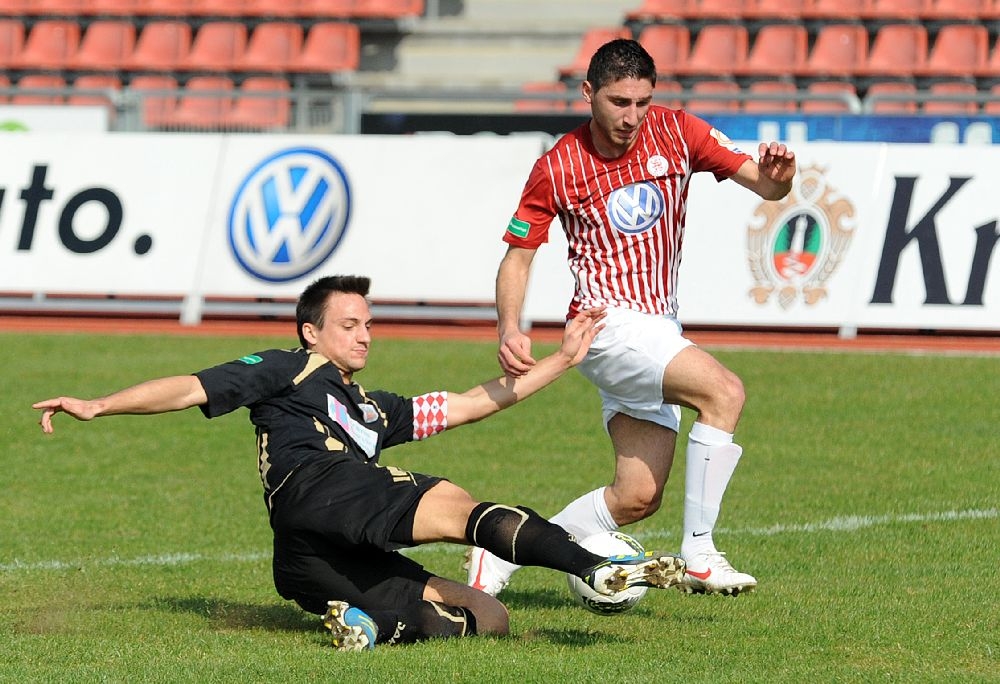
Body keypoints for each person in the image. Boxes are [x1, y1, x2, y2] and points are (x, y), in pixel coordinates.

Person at [33, 275, 687, 652]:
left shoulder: (375, 410)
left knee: (489, 618)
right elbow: (191, 387)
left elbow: (469, 403)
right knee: (456, 503)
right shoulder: (288, 367)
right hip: (320, 489)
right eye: (349, 324)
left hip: (308, 560)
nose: (364, 334)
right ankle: (593, 565)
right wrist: (100, 405)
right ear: (311, 332)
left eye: (368, 324)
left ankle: (364, 625)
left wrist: (564, 360)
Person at [466, 39, 797, 598]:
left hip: (658, 327)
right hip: (605, 328)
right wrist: (509, 327)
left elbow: (767, 186)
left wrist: (780, 176)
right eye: (619, 102)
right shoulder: (558, 166)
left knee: (636, 497)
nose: (632, 116)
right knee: (724, 392)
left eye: (642, 102)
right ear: (588, 93)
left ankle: (500, 553)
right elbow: (518, 256)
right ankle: (700, 553)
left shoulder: (678, 131)